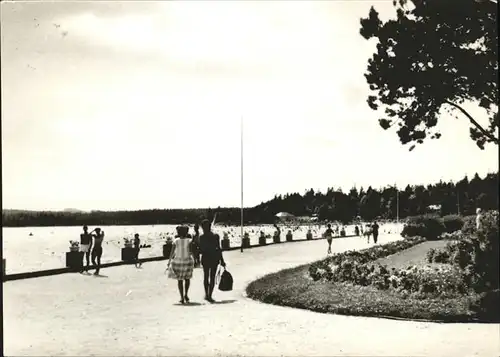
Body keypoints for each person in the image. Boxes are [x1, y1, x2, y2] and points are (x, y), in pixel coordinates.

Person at [199, 219, 226, 303]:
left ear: (202, 228)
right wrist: (222, 260)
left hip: (205, 258)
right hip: (214, 258)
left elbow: (201, 249)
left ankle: (206, 294)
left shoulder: (201, 237)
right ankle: (210, 295)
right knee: (212, 277)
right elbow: (219, 249)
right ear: (210, 227)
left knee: (206, 277)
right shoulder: (216, 236)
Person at [167, 226, 194, 304]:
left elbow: (172, 252)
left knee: (180, 280)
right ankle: (186, 294)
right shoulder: (189, 241)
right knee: (187, 279)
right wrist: (195, 260)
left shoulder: (176, 241)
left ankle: (182, 297)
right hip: (187, 261)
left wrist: (169, 261)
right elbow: (191, 252)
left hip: (178, 261)